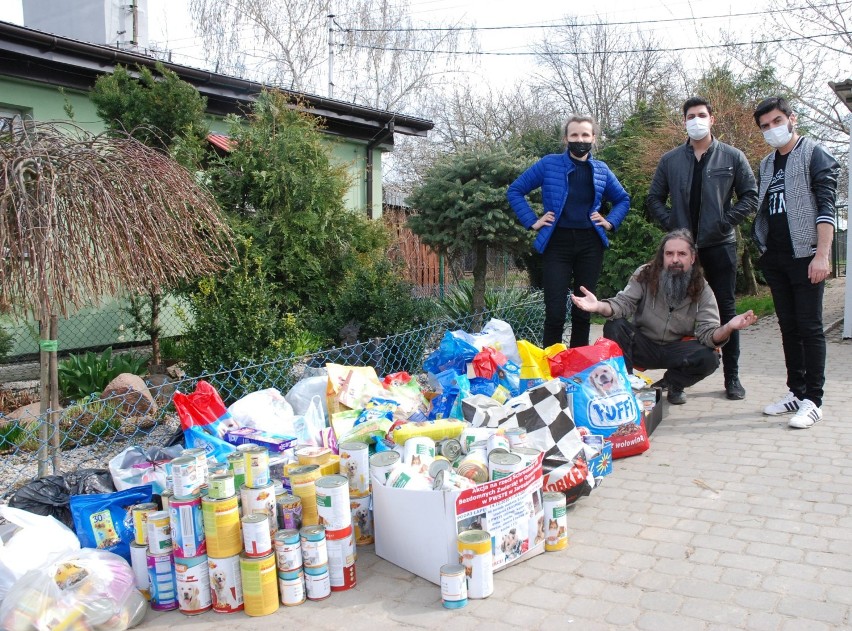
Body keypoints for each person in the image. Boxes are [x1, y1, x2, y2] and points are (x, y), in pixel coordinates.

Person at [647, 97, 758, 401]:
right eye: (690, 116)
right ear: (684, 121)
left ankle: (732, 378)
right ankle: (677, 381)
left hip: (720, 245)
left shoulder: (733, 157)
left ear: (712, 118)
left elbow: (750, 196)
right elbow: (653, 198)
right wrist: (673, 226)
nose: (696, 120)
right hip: (682, 250)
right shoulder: (671, 160)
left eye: (701, 115)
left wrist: (725, 222)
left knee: (725, 311)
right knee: (681, 311)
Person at [570, 229, 757, 405]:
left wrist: (729, 327)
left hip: (675, 350)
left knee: (710, 358)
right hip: (644, 345)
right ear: (663, 256)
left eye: (682, 254)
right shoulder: (645, 274)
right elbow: (623, 304)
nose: (675, 259)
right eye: (669, 254)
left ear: (692, 258)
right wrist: (598, 306)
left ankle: (673, 384)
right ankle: (625, 388)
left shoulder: (702, 288)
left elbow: (709, 335)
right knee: (615, 326)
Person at [753, 96, 839, 429]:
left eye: (776, 121)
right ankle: (796, 392)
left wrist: (822, 255)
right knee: (788, 328)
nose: (771, 129)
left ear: (792, 119)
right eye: (765, 126)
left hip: (807, 256)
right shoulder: (765, 164)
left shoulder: (814, 154)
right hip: (776, 258)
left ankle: (814, 400)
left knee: (810, 328)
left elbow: (826, 208)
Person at [507, 115, 630, 348]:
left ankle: (577, 367)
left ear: (593, 138)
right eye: (574, 135)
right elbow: (515, 190)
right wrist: (532, 221)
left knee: (583, 311)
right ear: (566, 138)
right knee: (554, 312)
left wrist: (610, 221)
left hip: (590, 245)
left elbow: (623, 199)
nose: (580, 139)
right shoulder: (549, 164)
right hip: (557, 244)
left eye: (585, 135)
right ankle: (552, 369)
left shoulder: (602, 170)